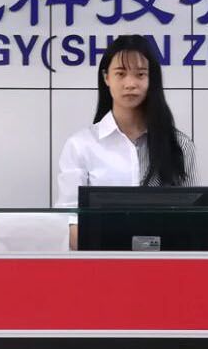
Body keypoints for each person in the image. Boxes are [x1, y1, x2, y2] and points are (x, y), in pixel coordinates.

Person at [55, 35, 195, 249]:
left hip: (164, 263)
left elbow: (194, 220)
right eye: (120, 73)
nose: (130, 84)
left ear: (151, 79)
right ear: (106, 78)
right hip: (101, 264)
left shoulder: (179, 145)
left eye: (140, 74)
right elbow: (69, 221)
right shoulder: (81, 145)